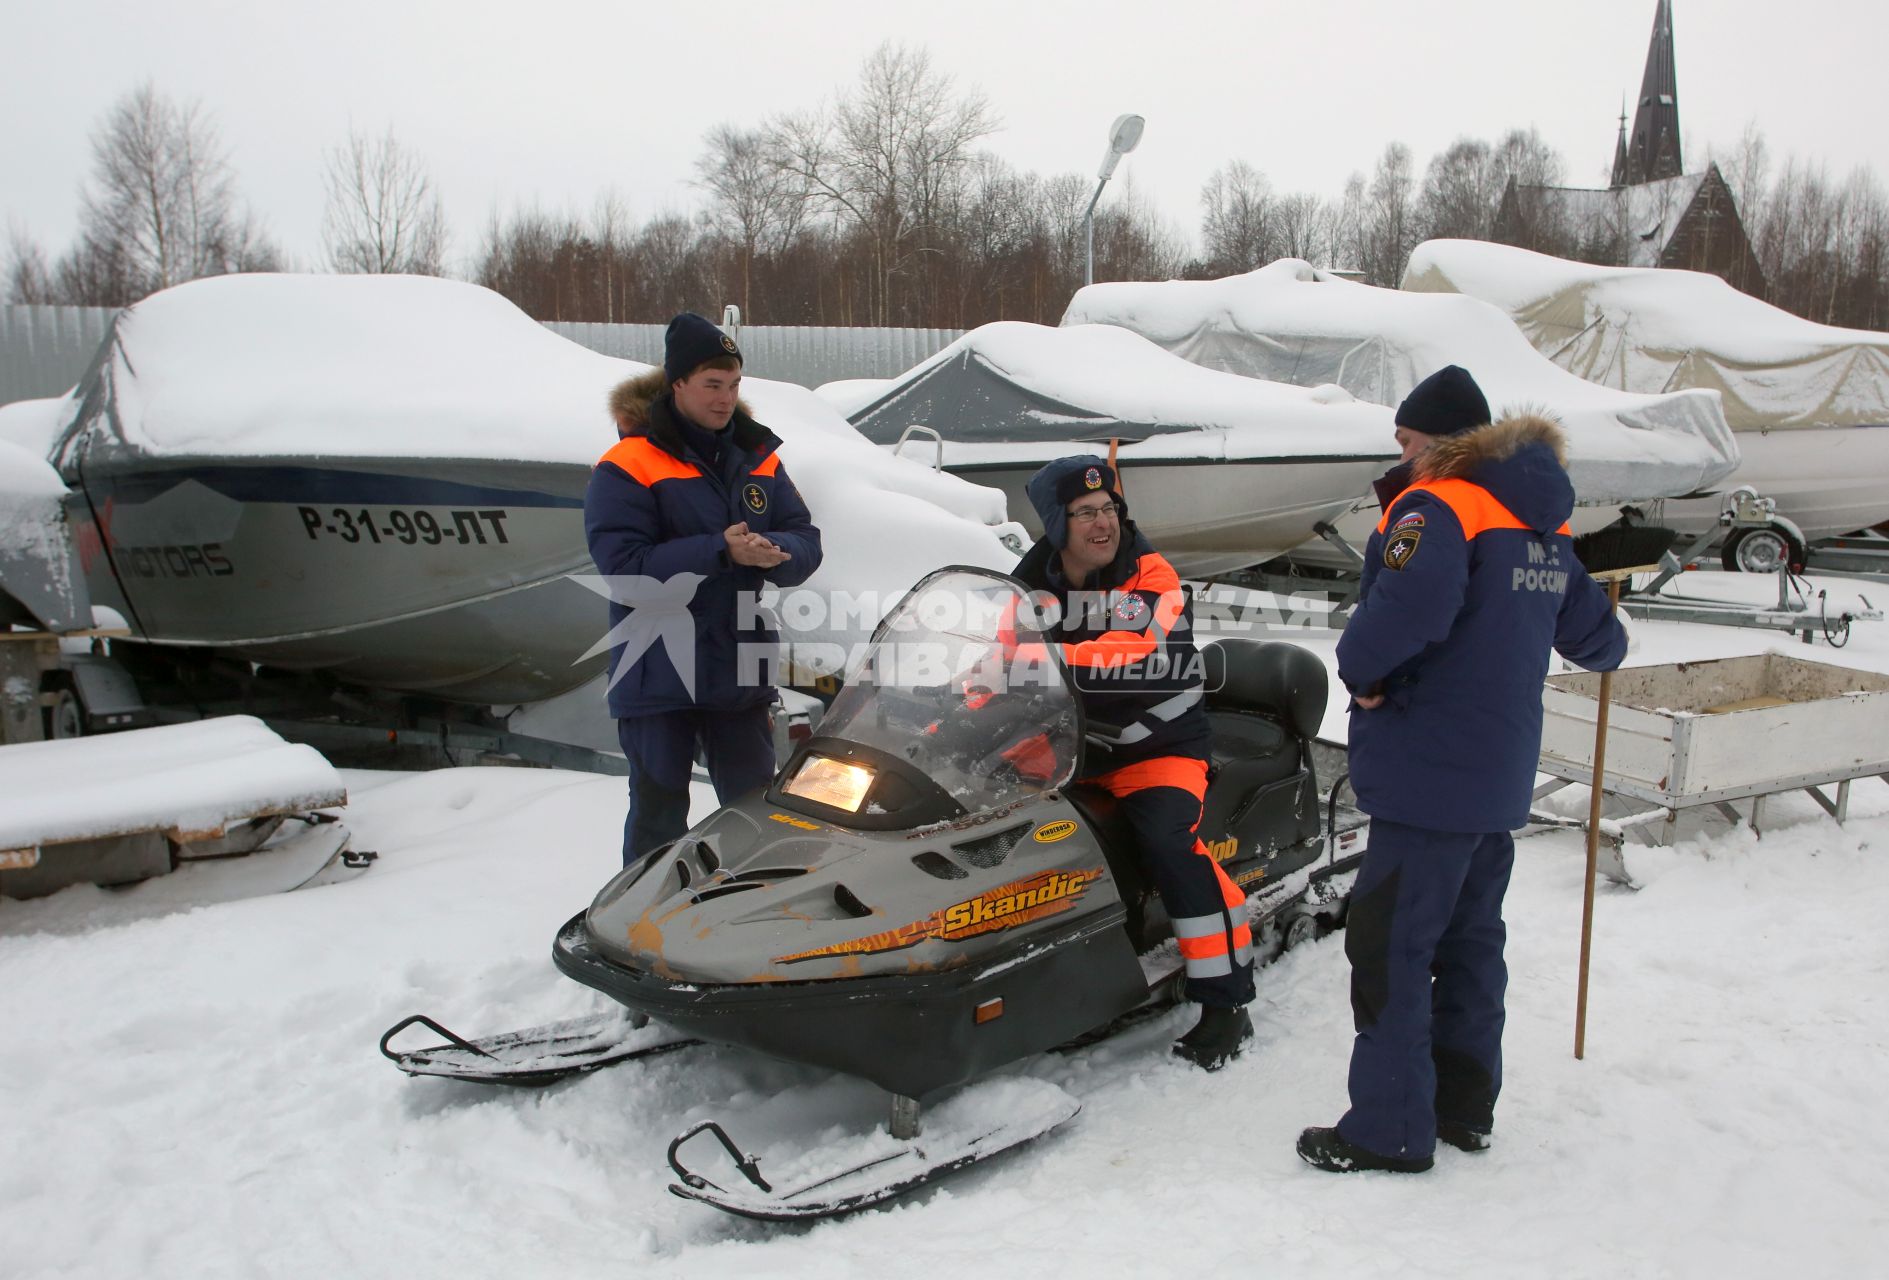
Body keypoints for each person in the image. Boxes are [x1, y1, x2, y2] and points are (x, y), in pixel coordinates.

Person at [1297, 364, 1627, 1173]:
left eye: (1406, 441)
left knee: (1392, 950)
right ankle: (1461, 1107)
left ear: (1438, 443)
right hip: (1495, 776)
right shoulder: (1535, 521)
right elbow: (1601, 643)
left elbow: (1406, 612)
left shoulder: (1435, 504)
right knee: (1472, 941)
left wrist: (1363, 675)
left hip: (1427, 772)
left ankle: (1389, 1129)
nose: (1400, 456)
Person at [1014, 455, 1256, 1071]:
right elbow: (998, 650)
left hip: (1153, 747)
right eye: (1085, 513)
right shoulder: (1028, 584)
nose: (1103, 525)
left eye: (1110, 510)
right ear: (1053, 524)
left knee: (1169, 844)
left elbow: (1132, 646)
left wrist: (1041, 664)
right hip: (1067, 747)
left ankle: (1227, 1000)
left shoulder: (1151, 575)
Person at [585, 313, 823, 867]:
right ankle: (642, 921)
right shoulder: (629, 463)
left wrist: (777, 553)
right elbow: (624, 568)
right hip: (658, 669)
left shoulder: (757, 456)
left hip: (738, 668)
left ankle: (753, 918)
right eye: (712, 385)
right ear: (678, 386)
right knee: (659, 809)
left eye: (734, 385)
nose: (726, 399)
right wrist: (720, 549)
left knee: (754, 809)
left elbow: (805, 536)